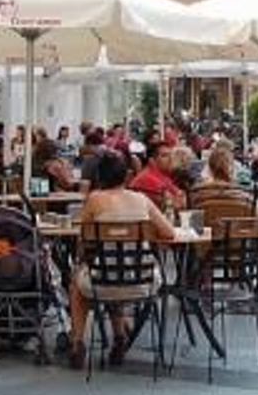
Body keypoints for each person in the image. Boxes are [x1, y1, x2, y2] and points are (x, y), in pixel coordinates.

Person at [66, 150, 176, 369]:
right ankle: (119, 337)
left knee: (82, 283)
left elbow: (84, 241)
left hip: (103, 280)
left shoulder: (94, 200)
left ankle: (77, 343)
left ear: (99, 177)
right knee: (115, 271)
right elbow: (169, 233)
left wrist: (81, 262)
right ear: (125, 176)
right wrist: (144, 236)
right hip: (142, 281)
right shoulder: (141, 199)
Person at [128, 140, 186, 211]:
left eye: (171, 155)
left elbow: (181, 198)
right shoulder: (146, 178)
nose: (171, 159)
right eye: (164, 156)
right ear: (152, 161)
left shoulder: (162, 175)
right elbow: (174, 205)